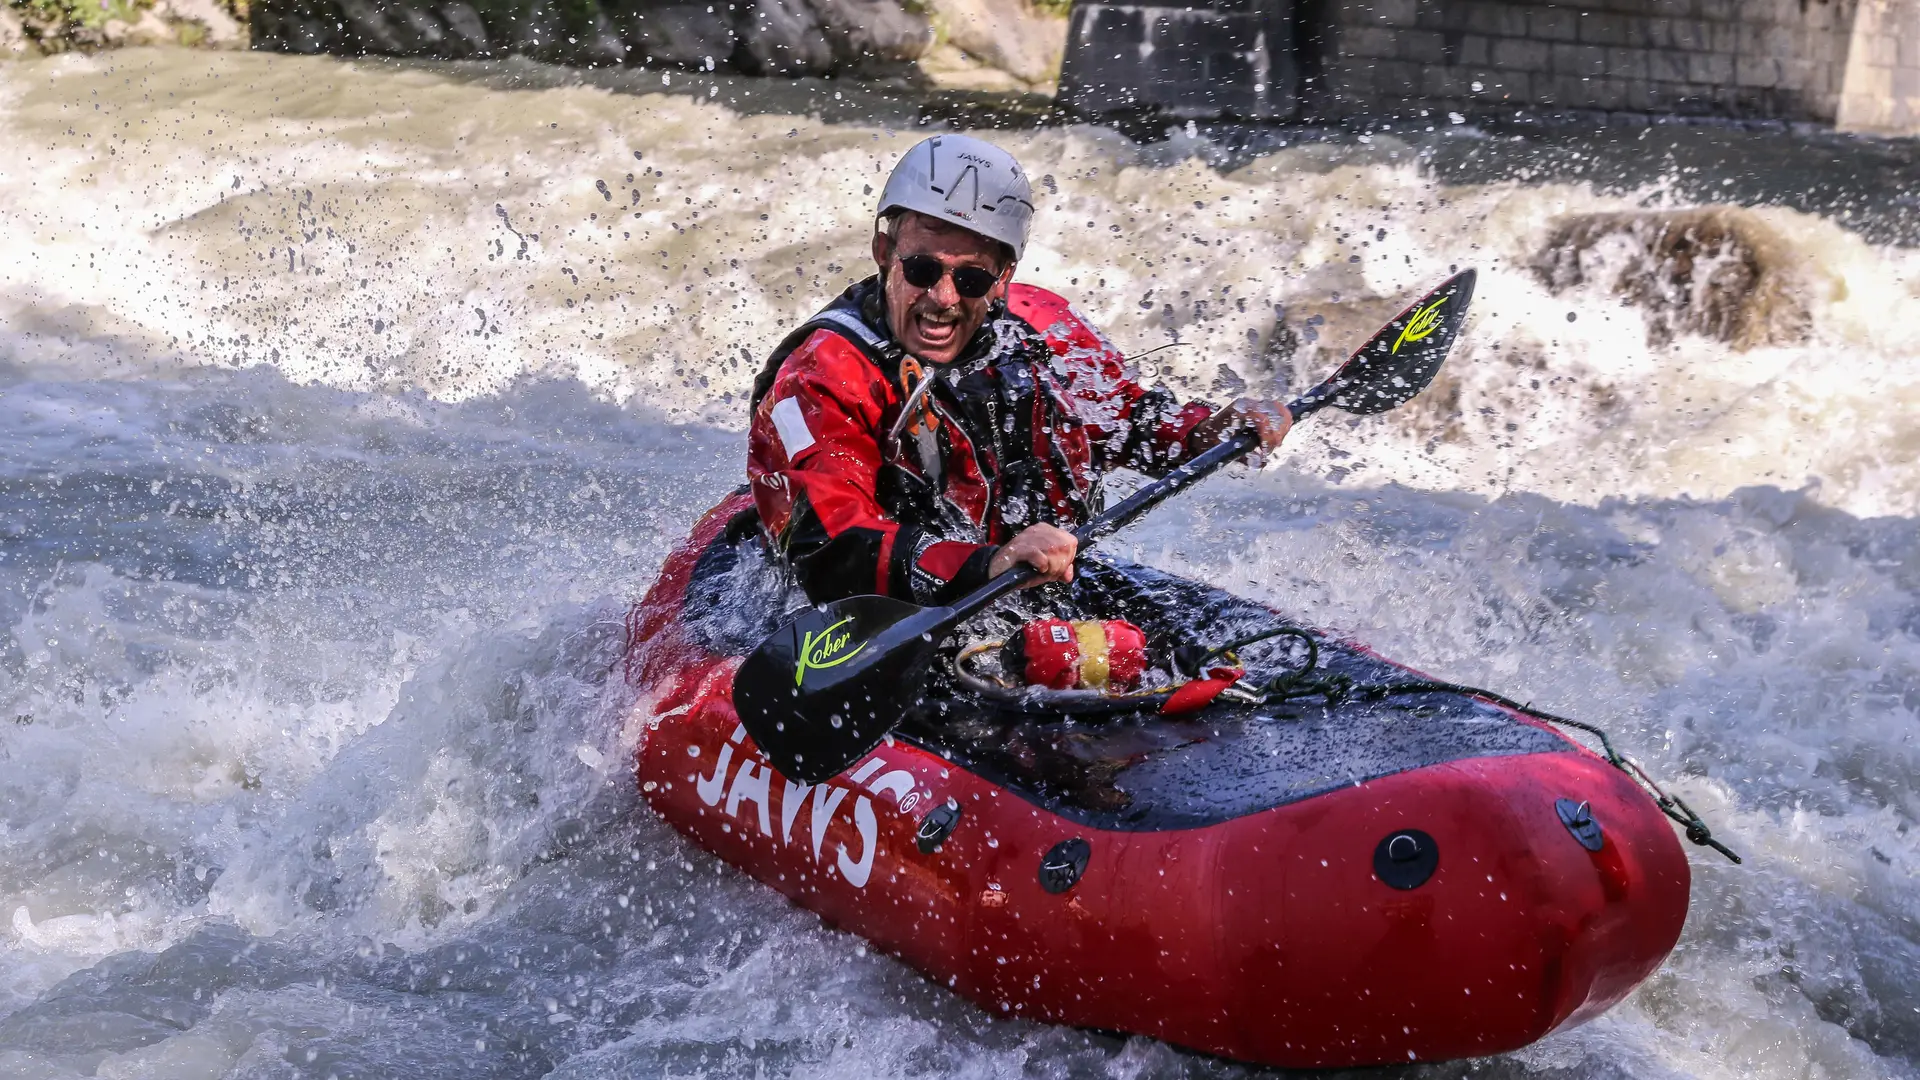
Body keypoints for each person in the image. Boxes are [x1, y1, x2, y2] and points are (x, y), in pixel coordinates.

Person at [745, 134, 1292, 608]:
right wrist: (986, 566)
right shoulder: (823, 375)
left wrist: (1205, 432)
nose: (942, 298)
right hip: (889, 607)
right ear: (884, 251)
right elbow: (831, 543)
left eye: (972, 280)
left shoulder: (1040, 326)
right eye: (921, 269)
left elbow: (1125, 420)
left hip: (1027, 578)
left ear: (1003, 277)